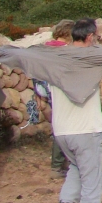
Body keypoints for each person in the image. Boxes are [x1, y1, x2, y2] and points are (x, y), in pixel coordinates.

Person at [0, 18, 102, 203]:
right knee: (92, 178)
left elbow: (25, 54)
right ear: (90, 36)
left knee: (75, 168)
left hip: (62, 130)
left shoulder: (55, 58)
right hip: (86, 129)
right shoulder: (91, 57)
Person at [43, 19, 75, 177]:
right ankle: (58, 165)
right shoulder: (63, 51)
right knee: (64, 127)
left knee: (58, 125)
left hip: (47, 89)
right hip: (60, 90)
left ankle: (60, 163)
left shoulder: (46, 47)